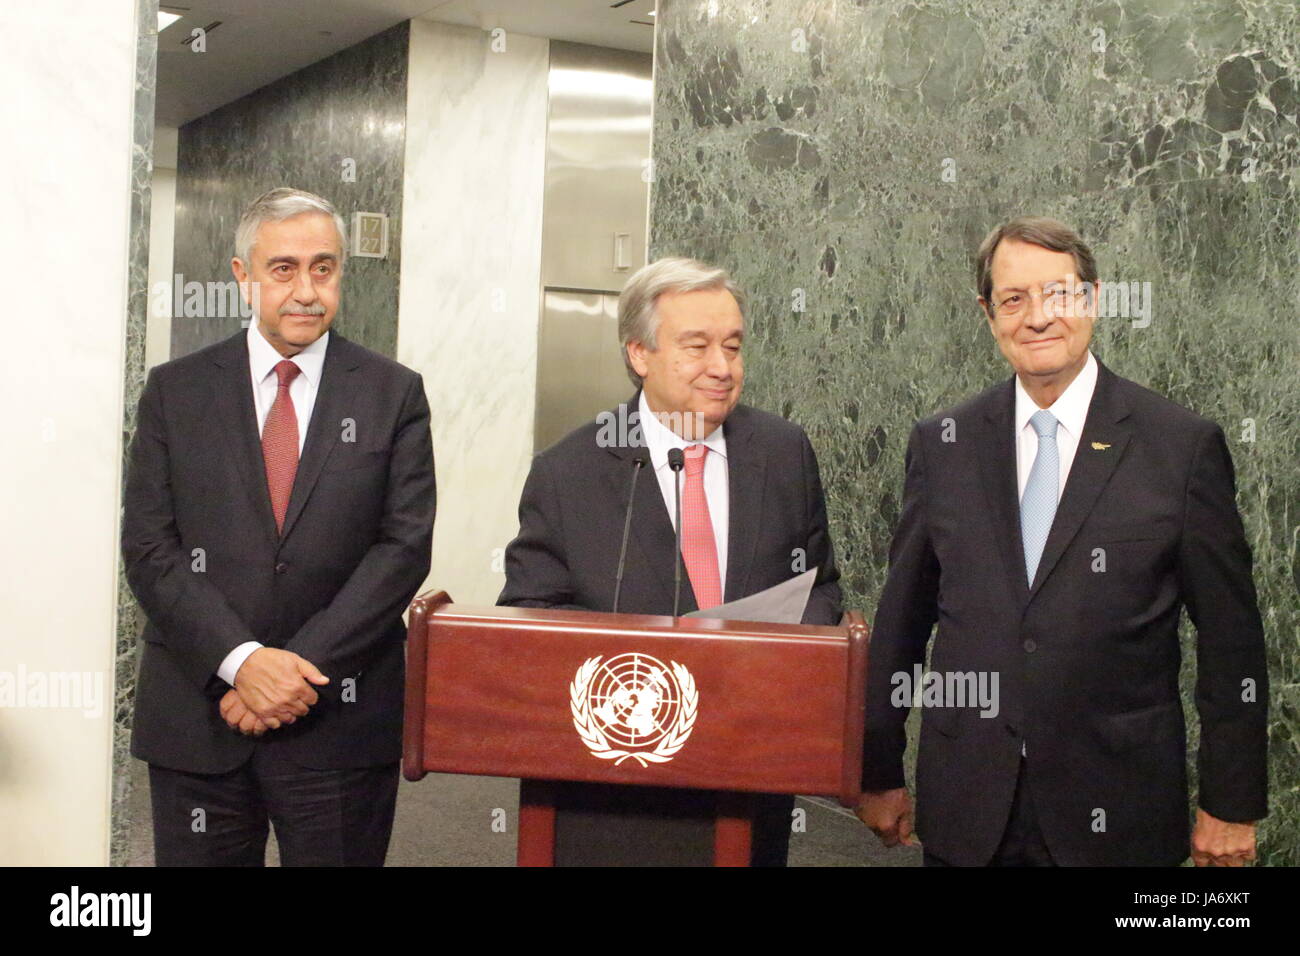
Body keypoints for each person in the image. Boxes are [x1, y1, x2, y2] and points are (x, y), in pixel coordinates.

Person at [857, 216, 1268, 866]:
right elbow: (901, 625)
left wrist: (1231, 802)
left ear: (1094, 299)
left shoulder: (1180, 447)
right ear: (988, 315)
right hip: (969, 811)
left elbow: (1231, 641)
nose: (1038, 317)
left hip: (1119, 812)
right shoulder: (944, 445)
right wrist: (876, 770)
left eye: (1058, 293)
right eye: (1013, 299)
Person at [123, 187, 436, 866]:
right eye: (283, 269)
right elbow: (150, 547)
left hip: (339, 719)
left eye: (323, 268)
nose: (306, 291)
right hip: (201, 714)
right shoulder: (176, 392)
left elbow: (403, 549)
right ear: (244, 276)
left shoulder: (393, 393)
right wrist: (241, 662)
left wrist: (293, 674)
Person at [499, 256, 842, 865]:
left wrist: (778, 659)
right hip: (615, 788)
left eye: (732, 347)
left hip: (750, 770)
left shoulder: (783, 452)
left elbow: (820, 586)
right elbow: (530, 620)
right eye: (697, 346)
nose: (722, 367)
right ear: (640, 353)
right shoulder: (567, 472)